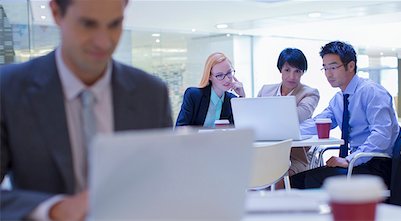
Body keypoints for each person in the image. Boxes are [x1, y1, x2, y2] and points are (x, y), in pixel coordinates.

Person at [0, 0, 173, 220]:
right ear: (56, 13)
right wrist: (54, 209)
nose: (104, 42)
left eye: (114, 24)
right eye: (88, 24)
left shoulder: (151, 94)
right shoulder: (8, 90)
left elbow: (164, 182)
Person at [290, 41, 400, 189]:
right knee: (295, 180)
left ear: (351, 66)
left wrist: (350, 160)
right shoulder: (339, 100)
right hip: (356, 164)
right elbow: (318, 123)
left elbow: (382, 135)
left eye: (334, 67)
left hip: (376, 165)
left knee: (300, 182)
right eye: (325, 68)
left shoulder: (372, 92)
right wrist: (287, 131)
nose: (329, 74)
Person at [257, 48, 320, 176]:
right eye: (287, 70)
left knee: (278, 174)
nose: (292, 76)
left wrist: (266, 115)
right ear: (280, 70)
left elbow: (296, 116)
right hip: (265, 151)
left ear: (302, 72)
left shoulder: (310, 93)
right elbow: (255, 117)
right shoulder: (266, 90)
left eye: (297, 71)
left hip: (294, 155)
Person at [176, 52, 245, 127]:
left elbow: (240, 130)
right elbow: (180, 128)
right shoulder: (193, 95)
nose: (227, 79)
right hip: (195, 138)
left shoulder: (232, 100)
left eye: (229, 73)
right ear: (209, 76)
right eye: (220, 75)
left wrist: (242, 98)